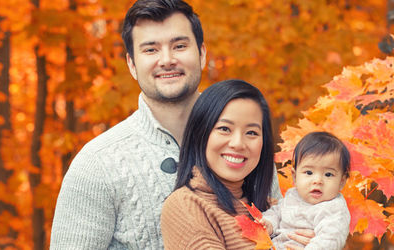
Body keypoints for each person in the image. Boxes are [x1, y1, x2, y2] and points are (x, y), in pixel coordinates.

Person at [48, 1, 283, 249]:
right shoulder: (99, 163)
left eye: (179, 46)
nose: (167, 60)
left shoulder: (245, 146)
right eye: (151, 50)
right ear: (131, 64)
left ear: (202, 54)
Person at [160, 79, 277, 249]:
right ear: (200, 133)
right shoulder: (186, 206)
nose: (237, 143)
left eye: (251, 132)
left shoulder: (274, 210)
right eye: (224, 129)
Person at [261, 132, 351, 250]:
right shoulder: (292, 196)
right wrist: (269, 223)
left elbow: (330, 239)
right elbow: (276, 212)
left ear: (341, 182)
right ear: (294, 176)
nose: (318, 180)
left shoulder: (334, 209)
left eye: (328, 174)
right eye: (309, 172)